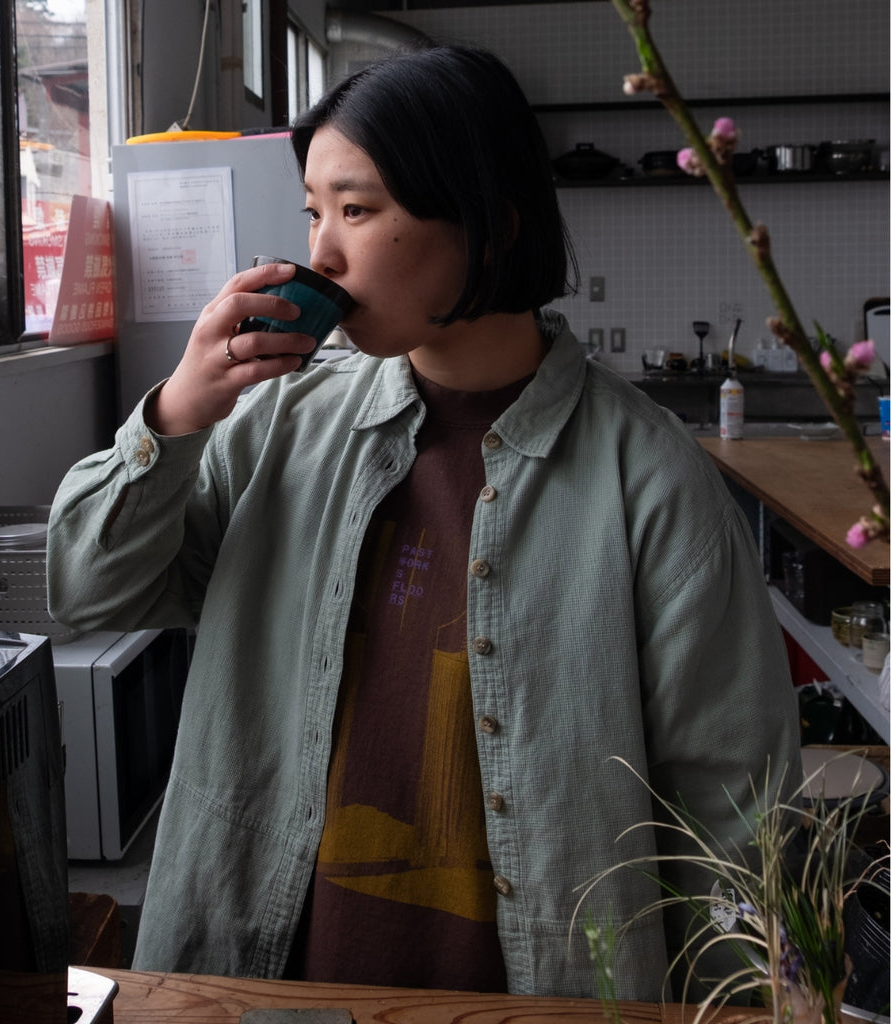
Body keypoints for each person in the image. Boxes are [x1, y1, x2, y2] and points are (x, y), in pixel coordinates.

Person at [46, 43, 800, 999]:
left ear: (489, 224)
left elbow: (731, 817)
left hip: (545, 1001)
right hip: (263, 987)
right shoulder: (275, 427)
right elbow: (84, 591)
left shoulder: (649, 480)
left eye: (357, 210)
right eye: (314, 212)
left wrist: (741, 1005)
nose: (321, 254)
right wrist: (173, 416)